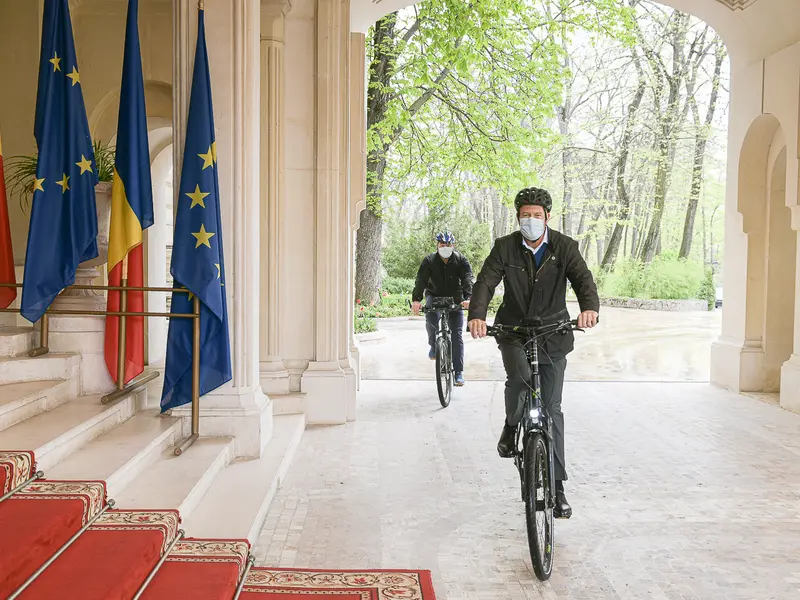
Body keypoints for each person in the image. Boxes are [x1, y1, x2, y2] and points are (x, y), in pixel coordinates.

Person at [467, 187, 599, 519]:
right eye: (525, 215)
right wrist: (477, 316)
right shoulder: (505, 247)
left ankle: (557, 488)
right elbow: (485, 282)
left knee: (552, 410)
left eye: (537, 215)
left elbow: (584, 280)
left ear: (547, 218)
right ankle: (512, 426)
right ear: (518, 217)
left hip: (554, 333)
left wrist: (589, 309)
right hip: (513, 331)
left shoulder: (565, 247)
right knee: (520, 378)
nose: (531, 220)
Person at [412, 231, 474, 387]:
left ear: (453, 246)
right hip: (435, 295)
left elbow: (467, 279)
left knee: (456, 335)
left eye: (448, 245)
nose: (445, 247)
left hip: (456, 298)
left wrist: (469, 298)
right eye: (442, 245)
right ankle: (434, 345)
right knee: (431, 319)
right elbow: (421, 280)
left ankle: (458, 372)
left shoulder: (460, 260)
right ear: (437, 245)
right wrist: (416, 300)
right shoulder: (430, 260)